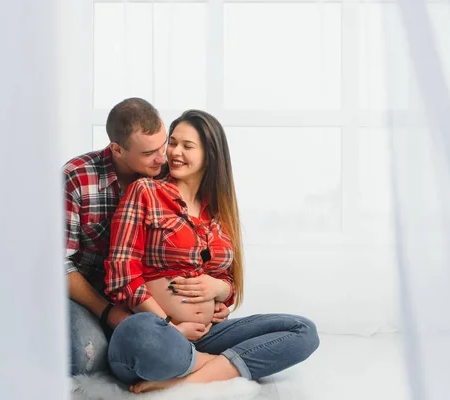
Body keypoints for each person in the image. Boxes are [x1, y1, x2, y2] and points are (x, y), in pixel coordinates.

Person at [104, 110, 320, 393]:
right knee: (139, 336)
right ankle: (219, 365)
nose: (175, 152)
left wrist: (217, 288)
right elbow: (122, 273)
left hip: (207, 334)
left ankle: (188, 378)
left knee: (304, 331)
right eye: (173, 142)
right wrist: (169, 327)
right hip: (158, 334)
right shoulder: (145, 191)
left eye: (187, 146)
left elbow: (226, 283)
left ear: (210, 154)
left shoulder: (218, 210)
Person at [64, 99, 231, 375]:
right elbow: (59, 263)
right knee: (87, 356)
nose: (164, 158)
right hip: (86, 292)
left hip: (138, 301)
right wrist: (110, 312)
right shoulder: (78, 178)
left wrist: (218, 294)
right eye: (150, 153)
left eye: (163, 145)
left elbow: (195, 253)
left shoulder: (168, 174)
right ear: (117, 149)